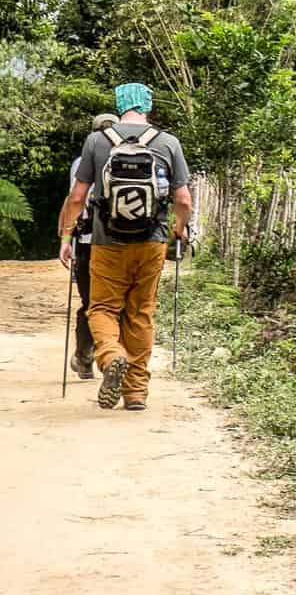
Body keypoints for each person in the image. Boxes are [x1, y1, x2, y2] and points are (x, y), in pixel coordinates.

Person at [55, 83, 192, 412]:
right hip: (152, 241)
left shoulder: (97, 141)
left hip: (107, 241)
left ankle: (111, 355)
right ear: (148, 106)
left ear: (118, 105)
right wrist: (178, 228)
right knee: (140, 313)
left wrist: (65, 237)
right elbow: (183, 199)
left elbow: (77, 198)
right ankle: (135, 393)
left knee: (102, 309)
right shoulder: (168, 142)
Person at [60, 113, 122, 380]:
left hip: (87, 241)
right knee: (119, 304)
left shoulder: (81, 162)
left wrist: (65, 238)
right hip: (124, 241)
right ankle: (114, 355)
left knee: (91, 302)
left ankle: (85, 357)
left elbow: (75, 199)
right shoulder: (133, 158)